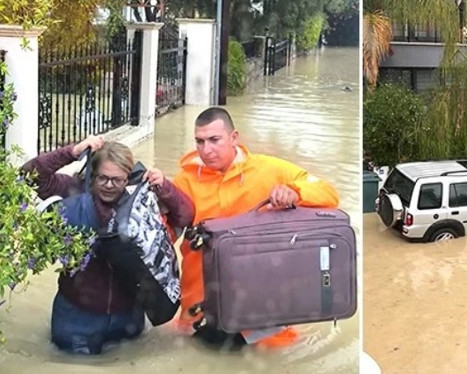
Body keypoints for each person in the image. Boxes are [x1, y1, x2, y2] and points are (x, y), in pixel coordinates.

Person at [172, 107, 340, 349]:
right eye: (199, 141)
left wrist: (295, 192)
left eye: (214, 140)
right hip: (200, 313)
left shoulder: (270, 170)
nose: (206, 150)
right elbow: (164, 233)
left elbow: (329, 193)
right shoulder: (184, 181)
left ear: (234, 138)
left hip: (262, 323)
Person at [21, 136, 195, 355]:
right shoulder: (73, 190)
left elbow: (186, 215)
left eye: (118, 180)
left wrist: (165, 187)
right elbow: (29, 176)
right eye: (103, 178)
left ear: (128, 177)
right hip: (78, 318)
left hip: (129, 316)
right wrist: (72, 152)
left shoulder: (143, 198)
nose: (110, 186)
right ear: (92, 174)